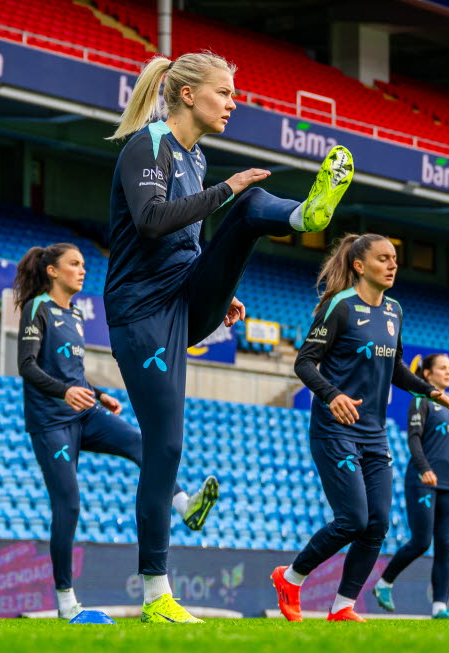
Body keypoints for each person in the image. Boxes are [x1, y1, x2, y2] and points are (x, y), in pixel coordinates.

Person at [104, 52, 355, 623]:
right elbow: (149, 221)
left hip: (186, 296)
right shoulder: (150, 145)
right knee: (165, 448)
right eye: (224, 93)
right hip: (142, 312)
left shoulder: (195, 156)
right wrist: (226, 188)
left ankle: (302, 218)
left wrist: (220, 290)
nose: (233, 103)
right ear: (188, 95)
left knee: (249, 207)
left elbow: (186, 241)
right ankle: (155, 596)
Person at [13, 242, 219, 620]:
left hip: (85, 412)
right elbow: (27, 366)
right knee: (68, 505)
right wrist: (65, 392)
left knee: (143, 443)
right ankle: (66, 603)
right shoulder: (37, 308)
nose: (82, 270)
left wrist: (99, 394)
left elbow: (69, 372)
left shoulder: (74, 315)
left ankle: (185, 505)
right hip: (51, 422)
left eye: (83, 264)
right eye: (74, 264)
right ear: (52, 272)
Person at [270, 234, 449, 622]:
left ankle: (342, 606)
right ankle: (290, 577)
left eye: (395, 258)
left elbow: (395, 369)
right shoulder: (339, 306)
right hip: (334, 429)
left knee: (378, 523)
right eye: (383, 259)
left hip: (374, 433)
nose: (392, 265)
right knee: (353, 520)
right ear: (360, 265)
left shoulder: (395, 311)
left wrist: (430, 391)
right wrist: (331, 395)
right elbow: (305, 362)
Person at [372, 353, 449, 619]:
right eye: (442, 368)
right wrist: (424, 469)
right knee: (421, 542)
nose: (448, 372)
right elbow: (414, 439)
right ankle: (384, 583)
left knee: (445, 545)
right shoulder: (421, 400)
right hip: (423, 482)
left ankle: (440, 607)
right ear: (427, 374)